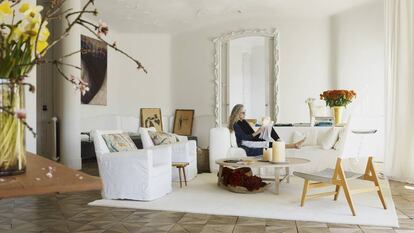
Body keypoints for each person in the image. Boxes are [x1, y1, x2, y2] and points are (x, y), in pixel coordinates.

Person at [228, 104, 304, 157]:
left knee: (268, 126)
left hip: (251, 139)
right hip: (246, 143)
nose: (245, 114)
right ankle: (294, 145)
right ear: (237, 113)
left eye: (245, 112)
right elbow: (243, 138)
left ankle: (280, 141)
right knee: (268, 144)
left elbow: (251, 133)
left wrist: (261, 129)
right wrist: (258, 132)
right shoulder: (235, 124)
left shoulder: (243, 121)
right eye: (243, 112)